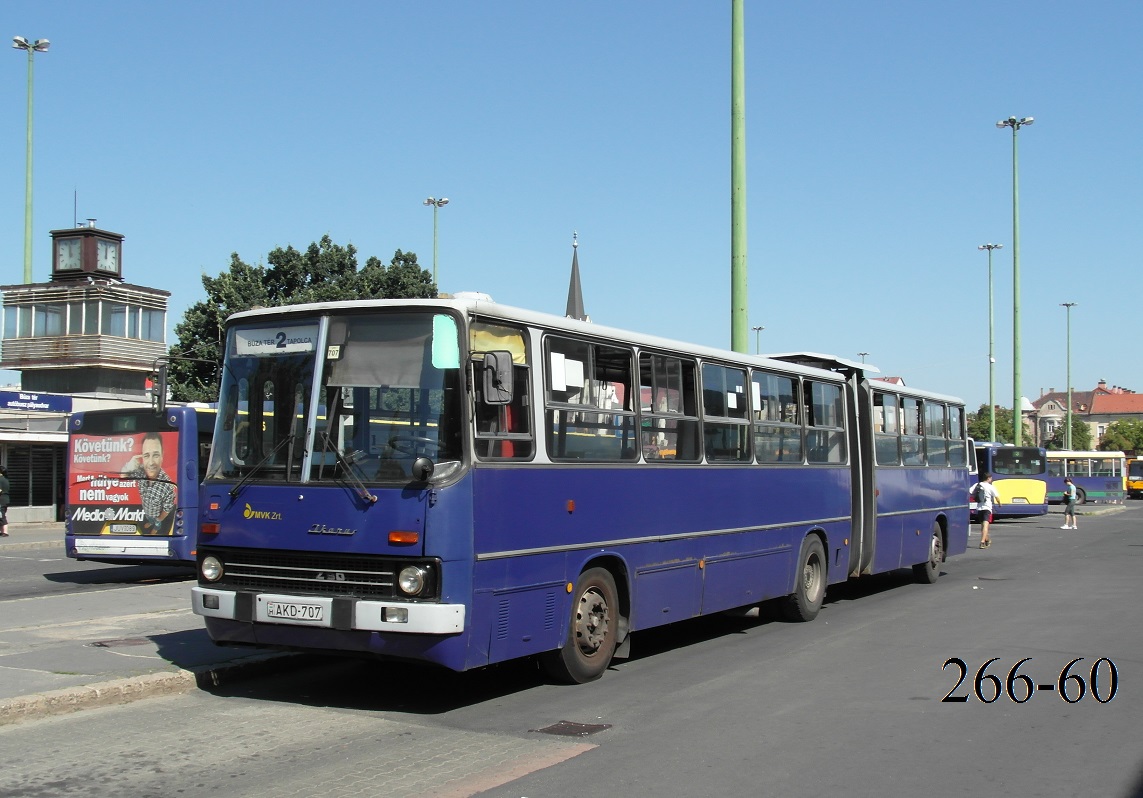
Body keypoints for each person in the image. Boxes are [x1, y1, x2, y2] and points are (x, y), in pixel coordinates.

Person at [122, 432, 176, 535]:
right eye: (146, 456)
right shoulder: (141, 471)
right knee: (150, 521)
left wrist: (158, 519)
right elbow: (123, 477)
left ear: (162, 456)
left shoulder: (168, 485)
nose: (151, 462)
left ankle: (154, 530)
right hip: (147, 514)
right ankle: (151, 523)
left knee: (156, 526)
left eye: (155, 455)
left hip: (158, 517)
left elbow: (167, 509)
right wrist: (129, 466)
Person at [973, 471, 1001, 549]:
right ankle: (982, 542)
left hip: (979, 508)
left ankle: (987, 540)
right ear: (988, 478)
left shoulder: (977, 485)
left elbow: (970, 492)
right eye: (991, 478)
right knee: (985, 526)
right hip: (987, 508)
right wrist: (999, 504)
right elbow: (997, 497)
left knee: (983, 527)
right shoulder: (990, 486)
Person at [0, 465, 10, 537]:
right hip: (6, 499)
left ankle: (5, 532)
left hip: (1, 499)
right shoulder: (6, 479)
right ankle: (2, 531)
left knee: (2, 515)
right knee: (2, 514)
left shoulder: (0, 479)